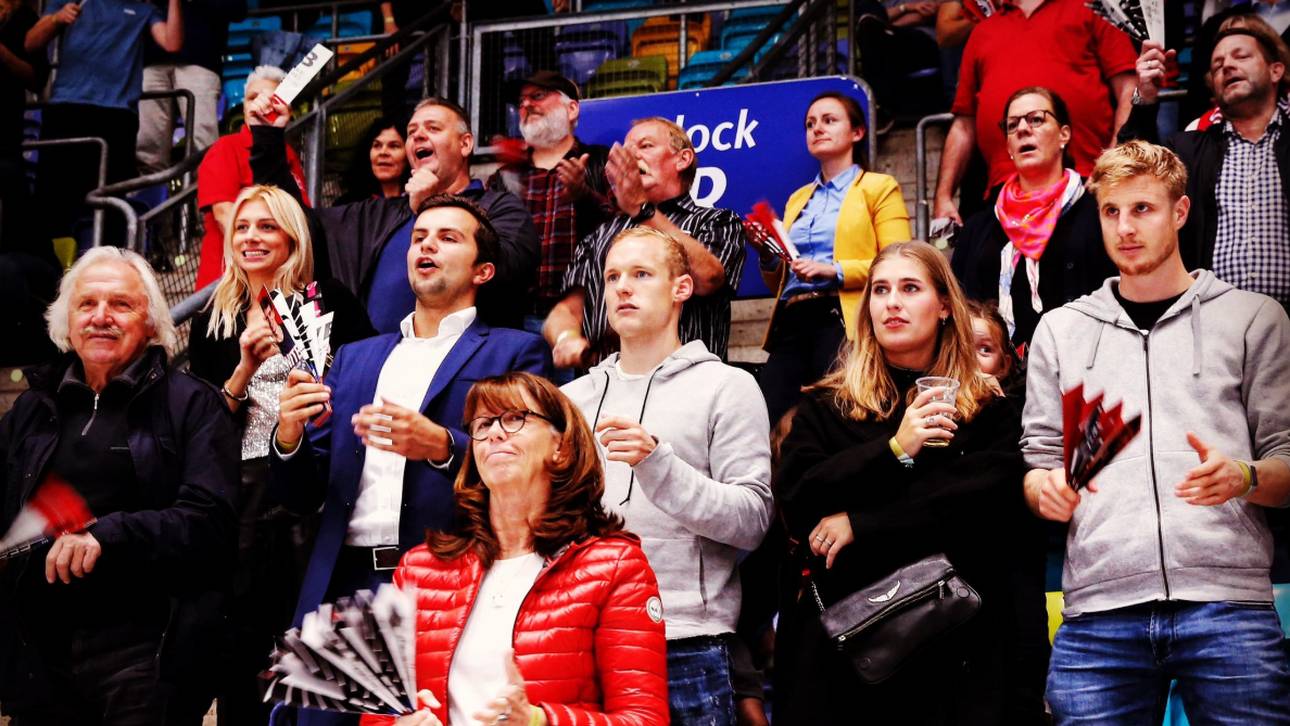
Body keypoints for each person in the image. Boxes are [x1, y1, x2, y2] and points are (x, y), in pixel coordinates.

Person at [1022, 140, 1290, 722]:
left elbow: (1286, 464)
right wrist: (1043, 489)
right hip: (1098, 610)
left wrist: (1242, 477)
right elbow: (1039, 459)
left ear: (1180, 211)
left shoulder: (1252, 318)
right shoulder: (1061, 331)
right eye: (1111, 211)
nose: (1124, 227)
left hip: (1227, 606)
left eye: (1142, 208)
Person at [270, 194, 550, 726]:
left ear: (483, 270)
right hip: (343, 582)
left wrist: (444, 447)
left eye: (448, 238)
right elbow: (300, 493)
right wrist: (288, 436)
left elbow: (533, 468)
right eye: (420, 236)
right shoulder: (355, 356)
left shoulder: (515, 352)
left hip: (452, 577)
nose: (427, 245)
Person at [774, 240, 1049, 723]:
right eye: (880, 290)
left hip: (964, 661)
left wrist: (862, 523)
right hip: (850, 669)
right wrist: (894, 450)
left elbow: (979, 512)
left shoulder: (986, 408)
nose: (891, 302)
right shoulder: (828, 405)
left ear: (945, 305)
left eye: (909, 288)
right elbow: (799, 499)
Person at [0, 247, 237, 725]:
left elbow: (209, 523)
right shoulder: (34, 407)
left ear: (151, 321)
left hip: (146, 654)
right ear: (66, 320)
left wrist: (105, 535)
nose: (100, 317)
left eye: (121, 305)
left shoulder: (192, 405)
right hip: (40, 656)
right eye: (87, 304)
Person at [359, 372, 668, 726]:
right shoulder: (419, 570)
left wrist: (539, 721)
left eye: (515, 418)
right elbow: (377, 715)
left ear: (561, 446)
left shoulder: (614, 566)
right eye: (484, 423)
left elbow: (645, 719)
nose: (494, 433)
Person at [562, 227, 773, 725]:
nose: (622, 288)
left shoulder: (728, 386)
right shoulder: (571, 400)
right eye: (612, 277)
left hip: (684, 642)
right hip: (580, 638)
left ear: (681, 288)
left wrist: (659, 465)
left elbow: (752, 520)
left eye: (641, 274)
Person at [186, 184, 374, 726]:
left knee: (311, 639)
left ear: (293, 237)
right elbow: (203, 425)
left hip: (316, 482)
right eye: (242, 227)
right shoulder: (212, 316)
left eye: (267, 226)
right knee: (243, 646)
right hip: (241, 488)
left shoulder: (330, 300)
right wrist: (243, 371)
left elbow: (365, 383)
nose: (251, 237)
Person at [248, 94, 540, 332]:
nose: (418, 136)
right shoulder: (378, 213)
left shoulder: (500, 207)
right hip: (377, 369)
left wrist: (433, 206)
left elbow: (508, 272)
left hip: (462, 370)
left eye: (433, 128)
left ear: (465, 144)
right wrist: (268, 138)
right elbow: (295, 221)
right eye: (412, 132)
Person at [756, 91, 911, 425]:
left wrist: (835, 271)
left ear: (857, 132)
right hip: (792, 317)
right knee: (764, 418)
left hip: (842, 317)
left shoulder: (878, 187)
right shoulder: (798, 198)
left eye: (829, 120)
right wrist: (769, 257)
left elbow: (900, 262)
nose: (817, 129)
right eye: (810, 124)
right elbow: (782, 280)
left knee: (839, 419)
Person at [544, 117, 746, 368]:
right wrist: (566, 338)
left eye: (646, 146)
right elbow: (566, 310)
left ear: (683, 159)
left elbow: (709, 278)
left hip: (686, 386)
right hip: (606, 387)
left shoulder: (717, 221)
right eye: (627, 149)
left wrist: (643, 209)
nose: (632, 155)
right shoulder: (601, 233)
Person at [1120, 24, 1289, 309]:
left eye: (1241, 56)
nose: (1228, 66)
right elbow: (1130, 174)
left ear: (1276, 70)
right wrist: (1146, 98)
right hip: (1213, 321)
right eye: (1218, 64)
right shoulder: (1189, 149)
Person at [932, 0, 1138, 225]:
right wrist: (943, 196)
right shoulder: (982, 31)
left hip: (1087, 182)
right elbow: (963, 125)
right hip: (1005, 194)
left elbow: (1129, 90)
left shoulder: (1091, 9)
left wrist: (1113, 161)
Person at [952, 86, 1116, 349]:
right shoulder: (978, 227)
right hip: (997, 381)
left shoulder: (1100, 211)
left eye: (1036, 119)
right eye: (1012, 125)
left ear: (1064, 134)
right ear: (1008, 146)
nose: (1022, 129)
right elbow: (959, 312)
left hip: (1081, 371)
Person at [26, 0, 183, 243]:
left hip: (117, 117)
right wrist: (57, 18)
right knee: (53, 201)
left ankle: (107, 267)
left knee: (111, 205)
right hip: (66, 109)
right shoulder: (70, 1)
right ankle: (50, 271)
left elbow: (171, 42)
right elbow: (30, 42)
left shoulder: (145, 8)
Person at [486, 71, 613, 331]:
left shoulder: (601, 162)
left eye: (538, 96)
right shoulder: (505, 176)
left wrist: (584, 196)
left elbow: (626, 230)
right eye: (521, 102)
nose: (526, 105)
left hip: (584, 319)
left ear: (572, 109)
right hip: (514, 321)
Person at [194, 66, 311, 291]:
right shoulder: (225, 147)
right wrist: (255, 260)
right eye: (251, 97)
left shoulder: (288, 153)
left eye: (268, 97)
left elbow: (300, 219)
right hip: (230, 281)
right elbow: (224, 215)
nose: (258, 103)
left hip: (278, 281)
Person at [136, 0, 247, 174]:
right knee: (148, 148)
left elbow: (238, 10)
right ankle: (149, 200)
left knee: (203, 143)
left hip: (200, 57)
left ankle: (211, 199)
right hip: (151, 58)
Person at [335, 117, 411, 205]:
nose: (383, 152)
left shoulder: (420, 202)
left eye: (394, 146)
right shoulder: (348, 206)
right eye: (377, 145)